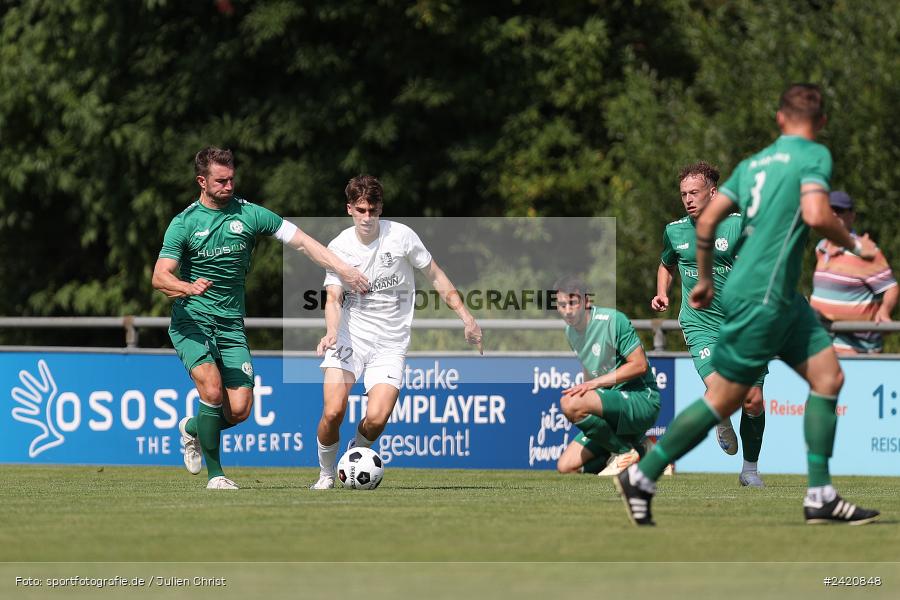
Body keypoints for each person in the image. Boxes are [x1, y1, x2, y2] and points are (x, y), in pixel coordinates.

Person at [616, 84, 880, 526]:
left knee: (826, 377)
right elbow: (816, 215)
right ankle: (643, 475)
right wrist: (853, 243)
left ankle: (820, 495)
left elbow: (709, 225)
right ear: (822, 123)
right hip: (762, 296)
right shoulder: (814, 156)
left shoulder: (752, 165)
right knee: (729, 397)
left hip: (774, 296)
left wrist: (701, 276)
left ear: (779, 119)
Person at [153, 147, 368, 490]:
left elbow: (303, 243)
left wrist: (343, 269)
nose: (228, 185)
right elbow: (160, 276)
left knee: (239, 409)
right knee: (211, 390)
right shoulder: (184, 223)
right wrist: (187, 287)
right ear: (202, 181)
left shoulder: (250, 215)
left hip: (230, 324)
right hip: (191, 321)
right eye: (220, 180)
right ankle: (216, 476)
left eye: (231, 179)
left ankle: (192, 429)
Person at [309, 175, 483, 489]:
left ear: (380, 208)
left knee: (377, 418)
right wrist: (331, 331)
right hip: (349, 338)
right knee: (334, 411)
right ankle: (325, 474)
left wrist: (467, 318)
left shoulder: (401, 236)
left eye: (372, 210)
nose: (367, 217)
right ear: (349, 209)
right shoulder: (339, 246)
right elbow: (333, 297)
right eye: (360, 209)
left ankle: (356, 453)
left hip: (389, 344)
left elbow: (436, 275)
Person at [652, 162, 767, 487]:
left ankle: (749, 470)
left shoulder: (738, 225)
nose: (688, 199)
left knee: (753, 400)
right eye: (683, 194)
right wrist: (662, 292)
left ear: (713, 192)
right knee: (721, 391)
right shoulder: (675, 231)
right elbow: (666, 264)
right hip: (700, 323)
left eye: (694, 192)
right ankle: (722, 419)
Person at [554, 276, 661, 477]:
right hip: (611, 406)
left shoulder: (612, 320)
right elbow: (589, 368)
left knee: (569, 403)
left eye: (573, 303)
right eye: (561, 305)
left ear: (587, 301)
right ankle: (646, 452)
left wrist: (594, 385)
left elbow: (639, 365)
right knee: (566, 466)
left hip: (641, 399)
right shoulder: (571, 332)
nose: (567, 310)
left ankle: (624, 453)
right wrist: (588, 388)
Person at [810, 190, 897, 353]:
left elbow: (891, 287)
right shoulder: (821, 247)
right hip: (827, 348)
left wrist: (884, 311)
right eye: (831, 210)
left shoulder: (867, 250)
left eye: (840, 210)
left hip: (860, 352)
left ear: (852, 215)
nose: (835, 215)